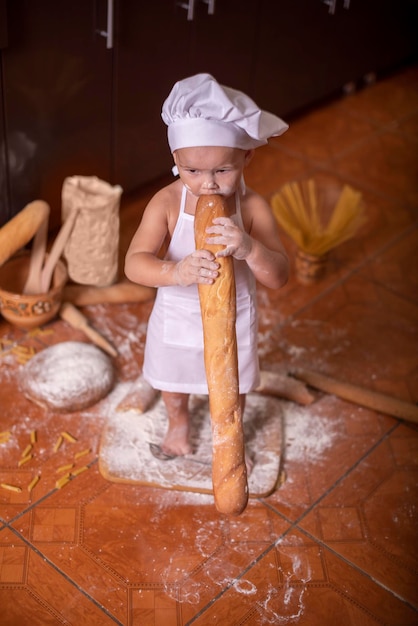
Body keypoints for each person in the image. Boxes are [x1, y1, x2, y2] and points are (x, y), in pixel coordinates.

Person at [125, 73, 289, 460]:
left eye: (222, 170)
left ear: (246, 156)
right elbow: (135, 264)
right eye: (192, 171)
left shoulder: (252, 209)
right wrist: (176, 272)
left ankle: (226, 435)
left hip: (232, 321)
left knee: (231, 386)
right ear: (176, 160)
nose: (208, 185)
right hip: (177, 317)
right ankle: (178, 424)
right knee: (173, 382)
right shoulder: (166, 203)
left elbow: (279, 276)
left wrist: (249, 248)